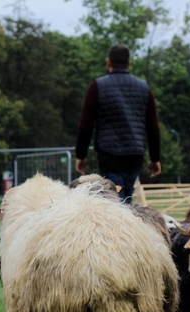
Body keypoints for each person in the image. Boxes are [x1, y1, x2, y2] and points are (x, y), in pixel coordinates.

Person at [75, 44, 161, 203]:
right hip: (135, 155)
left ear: (109, 63)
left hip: (109, 155)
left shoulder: (97, 86)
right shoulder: (144, 88)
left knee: (114, 199)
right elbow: (153, 127)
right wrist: (155, 158)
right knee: (127, 197)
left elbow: (86, 125)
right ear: (129, 63)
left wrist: (81, 154)